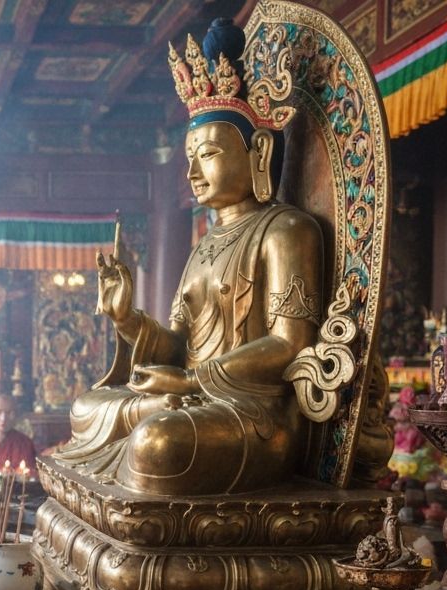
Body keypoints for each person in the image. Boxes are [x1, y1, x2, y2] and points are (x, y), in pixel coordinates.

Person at [55, 20, 325, 496]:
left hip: (254, 413)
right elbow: (179, 342)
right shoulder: (204, 244)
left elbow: (289, 344)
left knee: (159, 442)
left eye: (209, 153)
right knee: (85, 408)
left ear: (258, 152)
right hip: (192, 398)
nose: (192, 171)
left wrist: (190, 381)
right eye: (189, 156)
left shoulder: (286, 230)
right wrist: (129, 321)